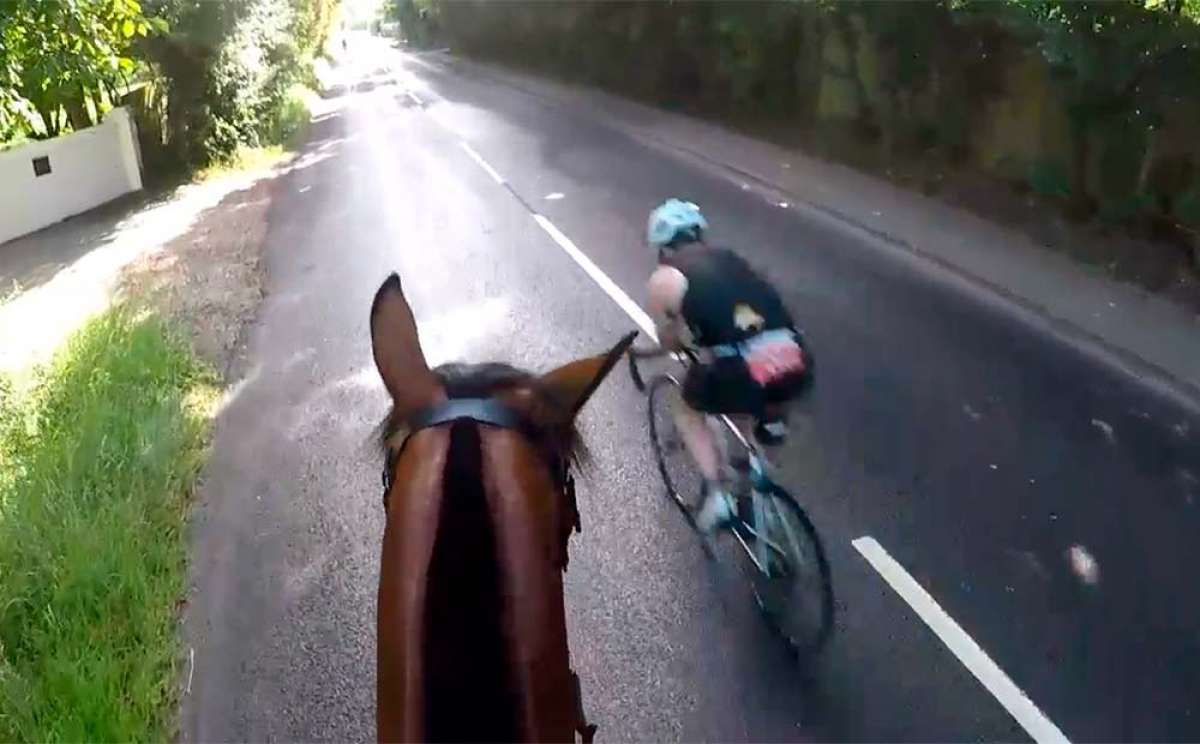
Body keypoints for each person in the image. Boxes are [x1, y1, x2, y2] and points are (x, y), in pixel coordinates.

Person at [642, 198, 812, 533]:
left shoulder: (665, 278)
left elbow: (669, 341)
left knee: (686, 405)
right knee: (755, 404)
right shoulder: (733, 259)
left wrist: (680, 342)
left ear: (662, 246)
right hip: (794, 357)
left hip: (741, 370)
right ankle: (756, 482)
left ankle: (718, 494)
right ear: (698, 234)